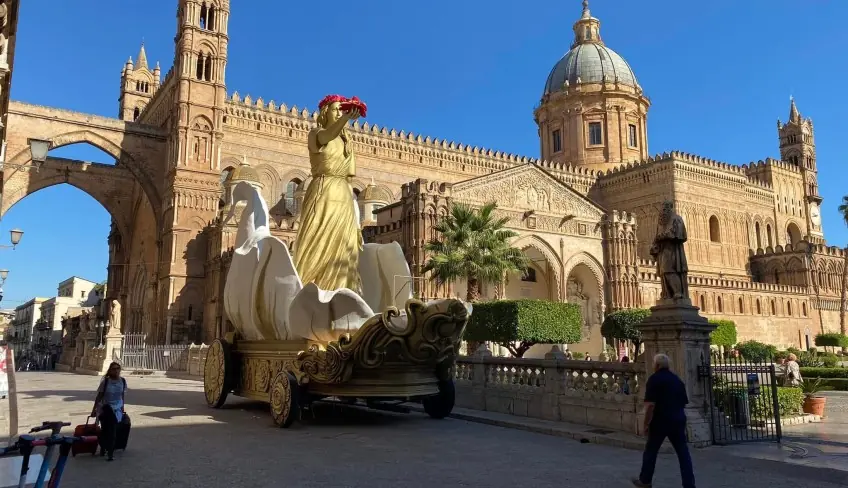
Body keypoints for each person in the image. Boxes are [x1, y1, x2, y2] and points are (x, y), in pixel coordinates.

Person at [293, 95, 364, 292]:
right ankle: (307, 290)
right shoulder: (317, 133)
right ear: (325, 113)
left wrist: (357, 223)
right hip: (324, 190)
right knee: (317, 240)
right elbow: (326, 137)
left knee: (345, 247)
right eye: (336, 110)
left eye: (342, 110)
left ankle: (342, 293)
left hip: (344, 196)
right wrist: (345, 120)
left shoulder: (346, 141)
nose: (339, 113)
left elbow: (349, 181)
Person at [633, 354, 695, 488]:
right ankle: (689, 484)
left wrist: (645, 424)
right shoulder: (677, 380)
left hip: (660, 420)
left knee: (651, 451)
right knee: (683, 453)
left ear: (656, 365)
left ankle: (645, 480)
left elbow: (650, 405)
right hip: (678, 419)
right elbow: (684, 402)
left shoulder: (654, 380)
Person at [92, 361, 127, 461]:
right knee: (105, 430)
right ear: (110, 371)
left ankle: (110, 451)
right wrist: (94, 410)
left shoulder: (123, 381)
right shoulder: (106, 382)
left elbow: (122, 395)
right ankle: (104, 448)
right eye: (113, 369)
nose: (116, 371)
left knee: (112, 430)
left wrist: (123, 407)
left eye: (117, 369)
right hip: (105, 409)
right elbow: (99, 397)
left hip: (117, 409)